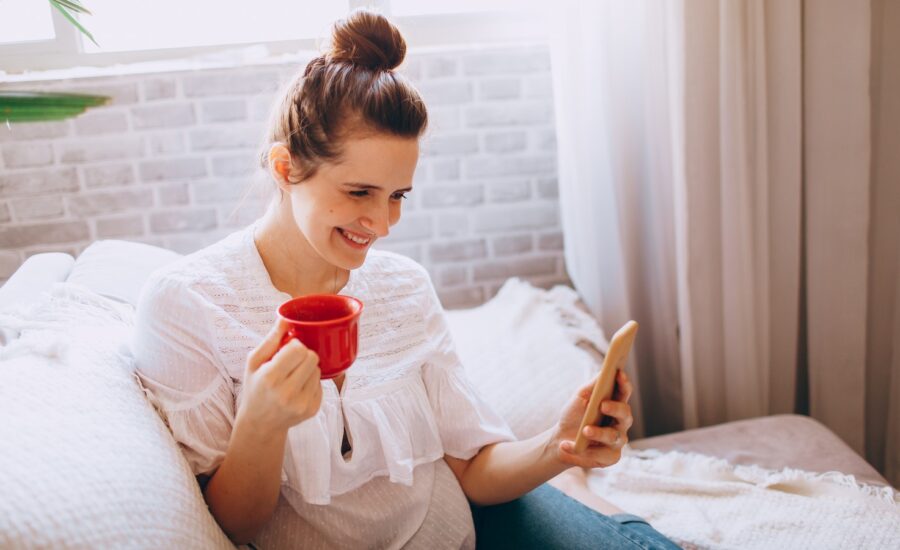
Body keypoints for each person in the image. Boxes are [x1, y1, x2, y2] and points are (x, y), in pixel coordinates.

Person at [132, 9, 678, 550]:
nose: (383, 224)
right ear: (284, 168)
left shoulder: (404, 287)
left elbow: (472, 467)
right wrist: (261, 423)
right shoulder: (189, 302)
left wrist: (559, 444)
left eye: (397, 196)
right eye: (359, 192)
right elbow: (233, 527)